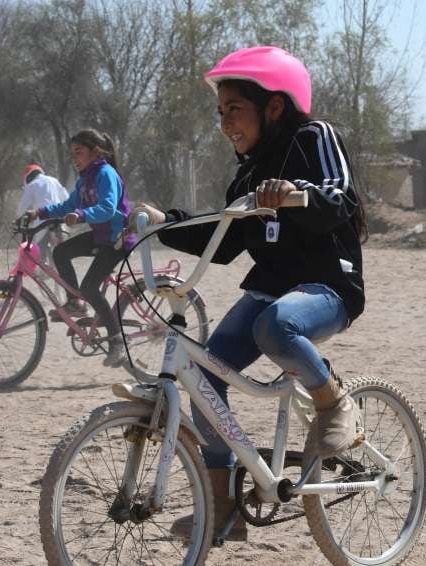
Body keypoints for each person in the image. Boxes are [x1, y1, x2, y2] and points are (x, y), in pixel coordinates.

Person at [140, 46, 368, 541]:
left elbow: (340, 197)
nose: (224, 124)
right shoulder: (247, 175)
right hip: (270, 292)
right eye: (219, 113)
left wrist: (291, 192)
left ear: (274, 106)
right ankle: (225, 509)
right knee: (202, 375)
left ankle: (335, 403)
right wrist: (163, 224)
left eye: (234, 109)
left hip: (329, 285)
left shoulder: (315, 137)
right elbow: (219, 242)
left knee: (275, 326)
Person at [25, 129, 136, 367]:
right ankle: (75, 303)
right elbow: (68, 204)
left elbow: (107, 207)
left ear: (95, 152)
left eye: (79, 152)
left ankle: (117, 341)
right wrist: (39, 212)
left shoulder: (106, 174)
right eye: (72, 154)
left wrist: (81, 214)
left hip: (117, 240)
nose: (74, 158)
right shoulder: (85, 178)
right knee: (60, 252)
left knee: (90, 287)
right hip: (100, 236)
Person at [17, 164, 69, 268]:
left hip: (43, 221)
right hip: (59, 219)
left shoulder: (32, 185)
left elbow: (21, 209)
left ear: (28, 177)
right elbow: (66, 197)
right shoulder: (53, 180)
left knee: (41, 248)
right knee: (62, 250)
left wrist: (19, 221)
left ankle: (44, 269)